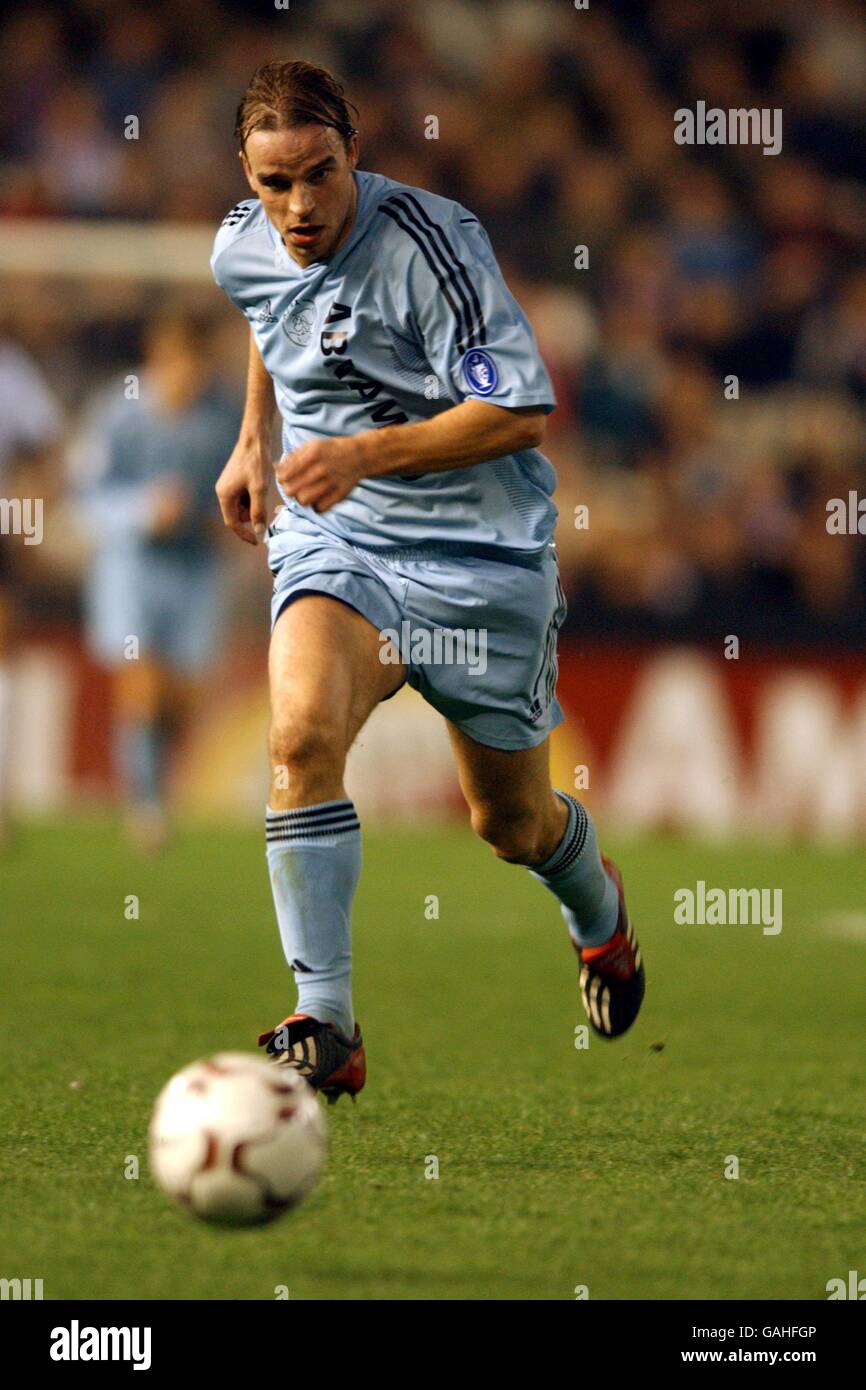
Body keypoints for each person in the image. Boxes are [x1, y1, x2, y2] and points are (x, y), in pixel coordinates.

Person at [212, 59, 645, 1102]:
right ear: (246, 173)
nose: (299, 206)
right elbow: (274, 320)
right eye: (275, 184)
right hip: (342, 540)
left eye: (319, 175)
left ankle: (599, 917)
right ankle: (327, 1021)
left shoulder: (434, 247)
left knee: (511, 825)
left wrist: (361, 450)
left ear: (354, 151)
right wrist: (251, 439)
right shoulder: (239, 243)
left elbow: (520, 412)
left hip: (480, 562)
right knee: (299, 734)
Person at [76, 309, 238, 851]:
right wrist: (142, 510)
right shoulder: (117, 413)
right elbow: (85, 498)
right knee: (140, 682)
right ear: (156, 361)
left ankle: (156, 787)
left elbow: (243, 488)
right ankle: (144, 808)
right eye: (175, 362)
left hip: (196, 570)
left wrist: (228, 522)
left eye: (195, 364)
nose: (185, 375)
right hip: (133, 564)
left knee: (181, 695)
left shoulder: (224, 417)